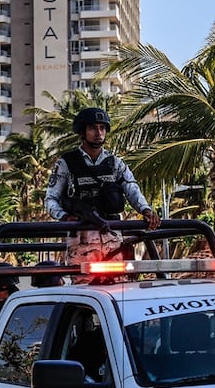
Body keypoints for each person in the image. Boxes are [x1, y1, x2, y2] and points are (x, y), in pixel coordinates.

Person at [44, 107, 161, 268]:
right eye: (93, 128)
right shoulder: (66, 163)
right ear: (82, 132)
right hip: (80, 237)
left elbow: (132, 188)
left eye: (102, 128)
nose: (99, 132)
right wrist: (64, 217)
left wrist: (146, 210)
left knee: (117, 287)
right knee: (83, 286)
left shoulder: (115, 163)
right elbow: (51, 199)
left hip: (112, 236)